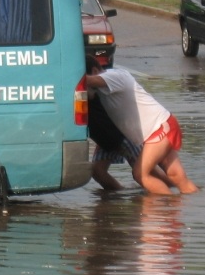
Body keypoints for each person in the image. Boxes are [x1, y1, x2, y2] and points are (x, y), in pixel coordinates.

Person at [85, 54, 199, 195]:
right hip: (163, 125)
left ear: (95, 71)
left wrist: (63, 73)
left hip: (160, 128)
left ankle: (168, 207)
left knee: (140, 174)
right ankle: (194, 205)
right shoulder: (103, 88)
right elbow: (88, 92)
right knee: (178, 177)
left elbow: (87, 81)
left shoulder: (113, 77)